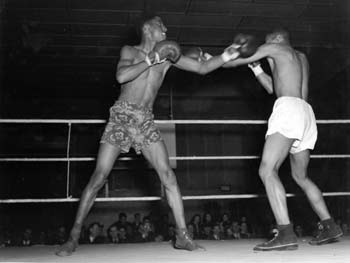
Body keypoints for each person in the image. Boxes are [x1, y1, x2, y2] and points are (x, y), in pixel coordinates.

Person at [55, 15, 257, 256]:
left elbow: (202, 67)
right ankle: (74, 236)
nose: (166, 29)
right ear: (147, 28)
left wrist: (227, 55)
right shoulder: (130, 50)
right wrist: (151, 60)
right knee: (99, 176)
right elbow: (121, 76)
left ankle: (183, 236)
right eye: (161, 25)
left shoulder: (169, 56)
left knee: (168, 175)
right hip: (122, 116)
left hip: (145, 120)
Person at [223, 29, 343, 251]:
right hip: (305, 113)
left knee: (267, 171)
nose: (264, 49)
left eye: (266, 43)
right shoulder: (301, 58)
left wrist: (217, 59)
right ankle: (330, 225)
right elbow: (273, 88)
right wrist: (258, 69)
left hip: (288, 110)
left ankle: (285, 232)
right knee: (301, 176)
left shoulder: (275, 48)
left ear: (276, 40)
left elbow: (232, 63)